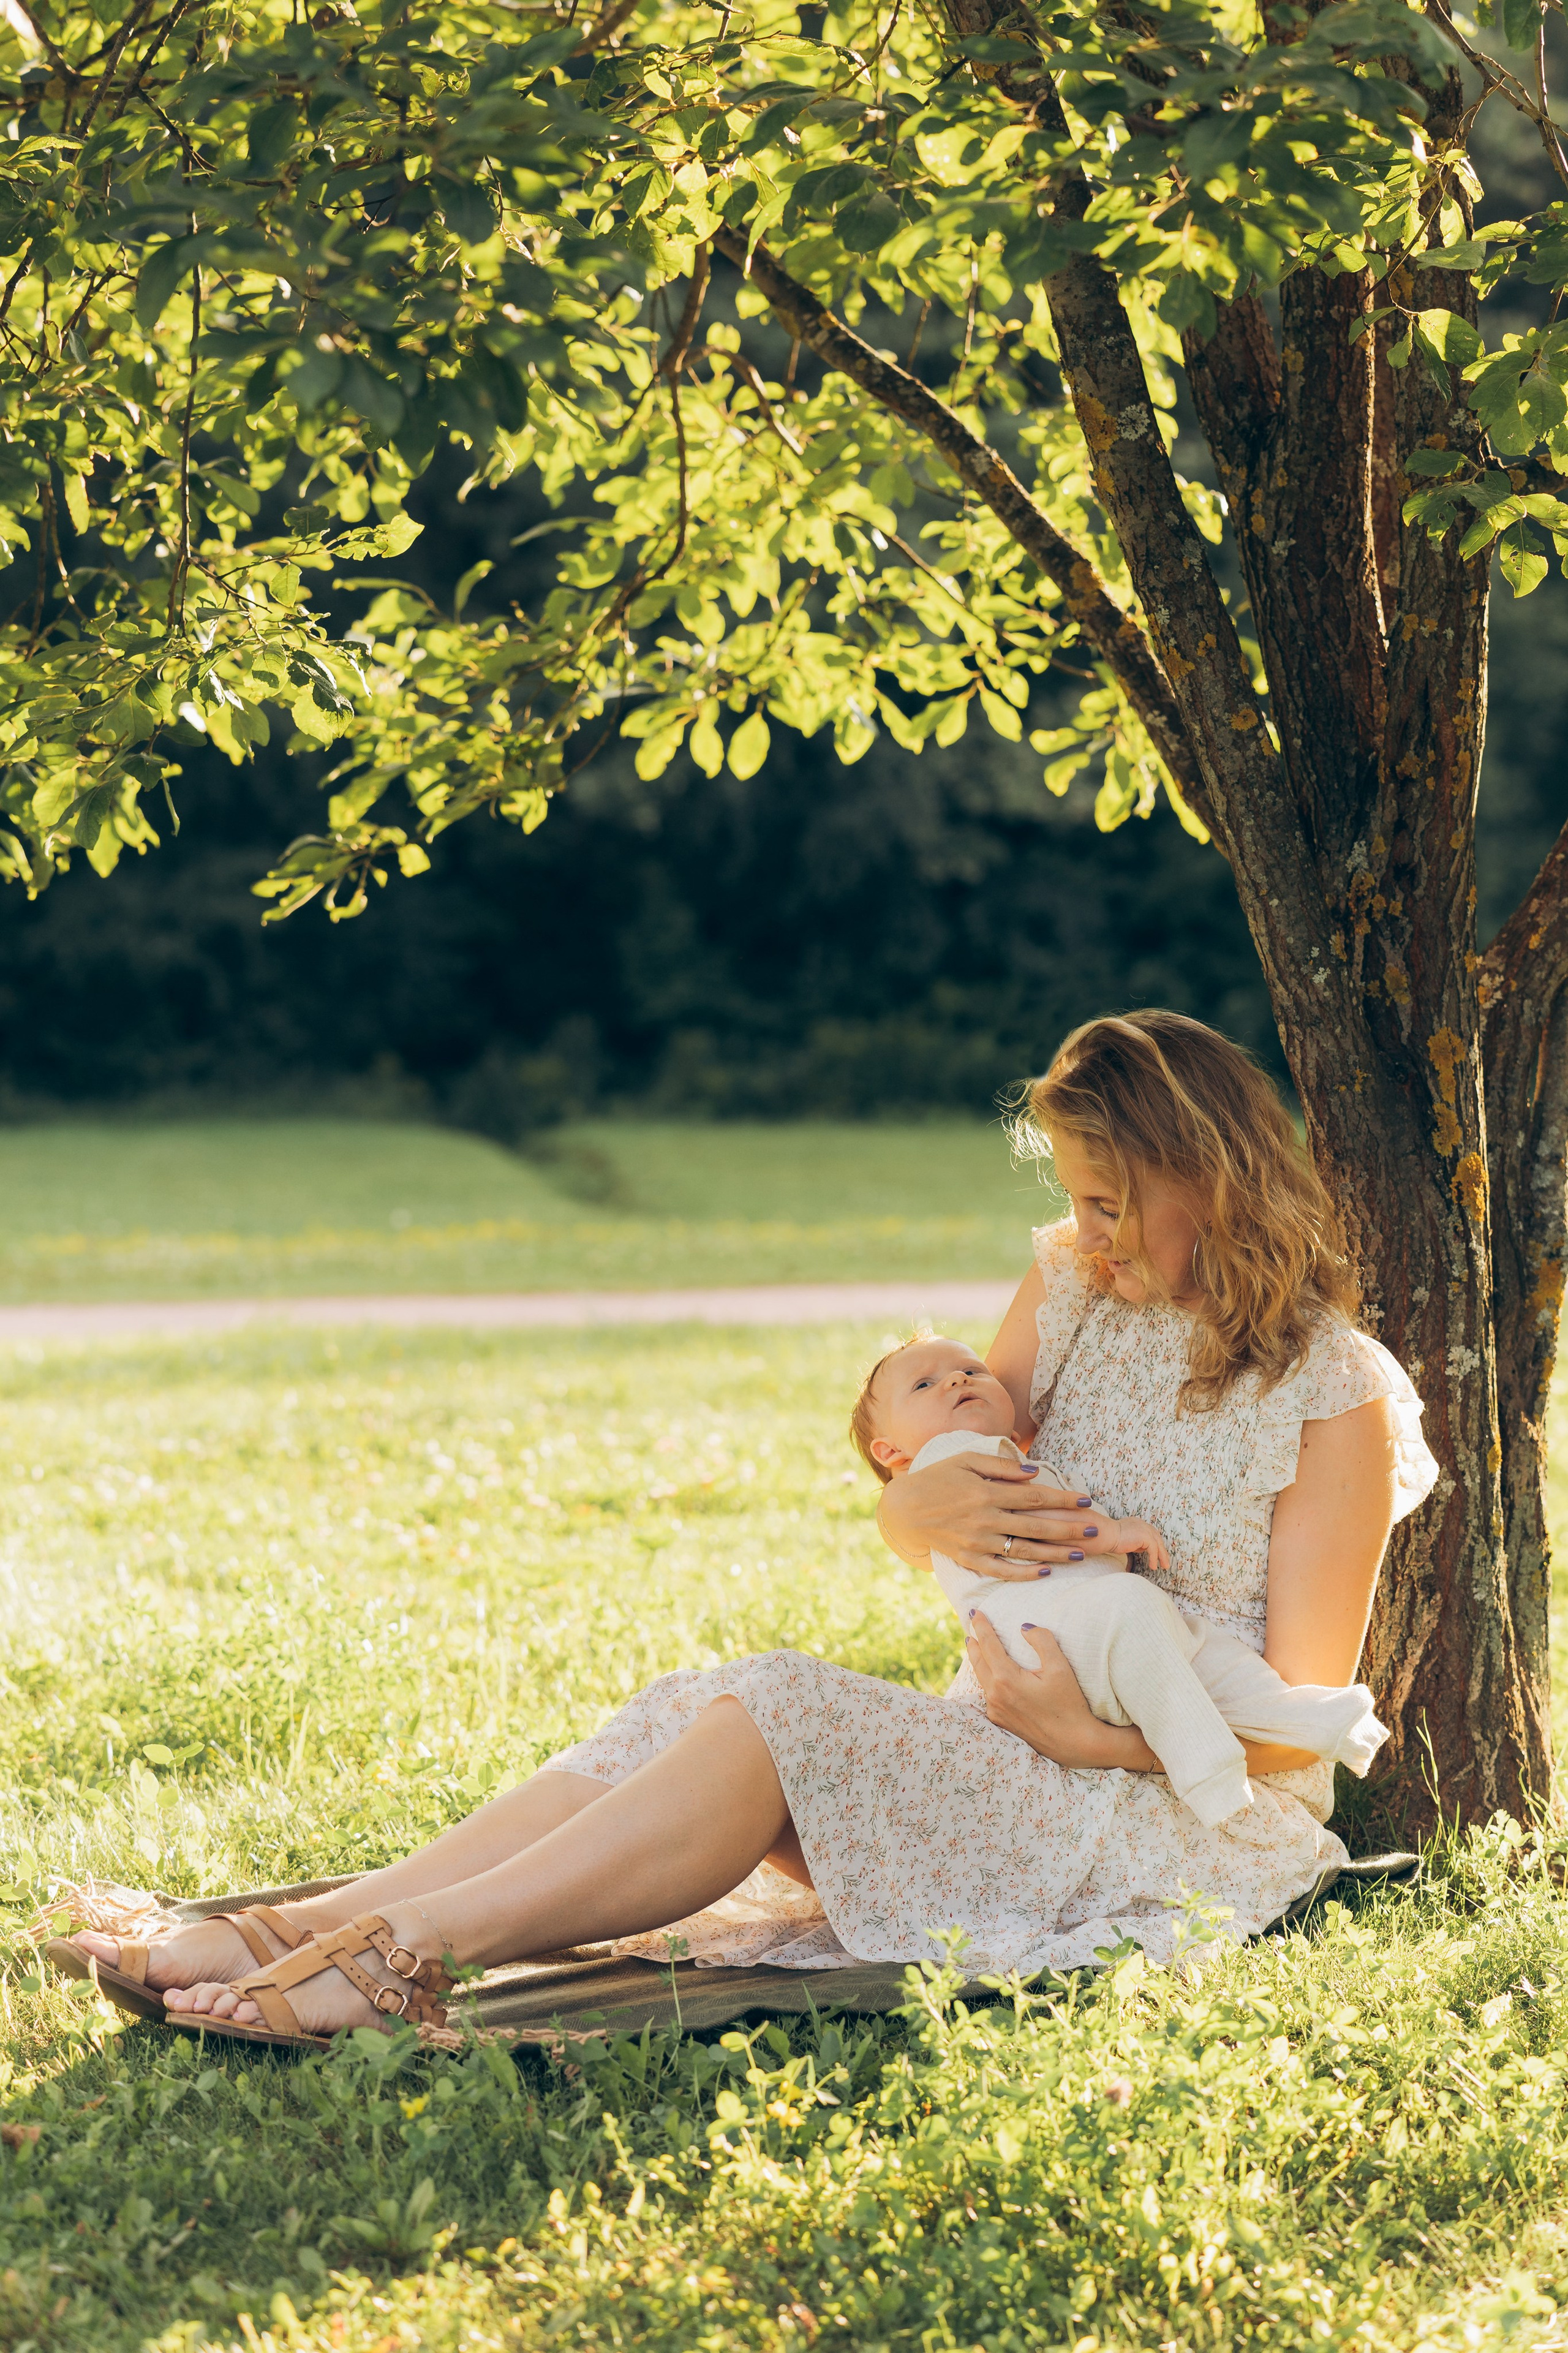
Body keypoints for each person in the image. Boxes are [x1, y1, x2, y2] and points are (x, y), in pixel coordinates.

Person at [53, 1011, 1438, 2049]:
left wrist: (1076, 1733)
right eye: (1073, 1197)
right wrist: (910, 1509)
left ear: (1206, 1169)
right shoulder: (1073, 1289)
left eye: (1108, 1198)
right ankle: (302, 1926)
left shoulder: (1333, 1397)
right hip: (999, 1756)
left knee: (776, 1703)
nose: (1082, 1229)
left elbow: (1288, 1731)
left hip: (1170, 1818)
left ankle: (399, 1951)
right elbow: (936, 1468)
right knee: (696, 1704)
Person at [852, 1332, 1387, 1828]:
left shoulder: (1002, 1453)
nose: (957, 1380)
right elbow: (1037, 1522)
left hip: (1089, 1625)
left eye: (971, 1369)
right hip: (1045, 1635)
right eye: (924, 1384)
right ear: (893, 1453)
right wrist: (1111, 1534)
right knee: (1143, 1615)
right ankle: (1211, 1775)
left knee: (1193, 1649)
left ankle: (1318, 1721)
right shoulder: (949, 1463)